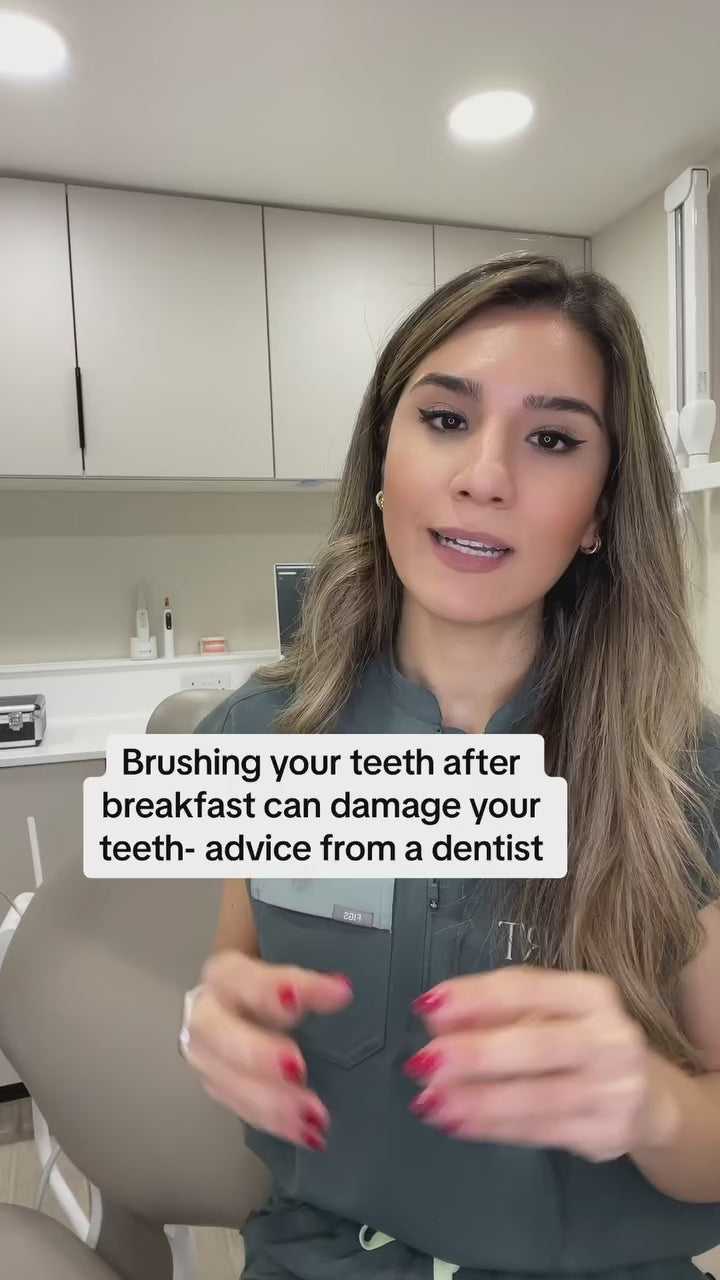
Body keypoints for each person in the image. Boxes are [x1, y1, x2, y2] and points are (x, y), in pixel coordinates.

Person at [182, 254, 720, 1280]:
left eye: (553, 439)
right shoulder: (263, 739)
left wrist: (653, 1104)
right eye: (443, 418)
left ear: (600, 510)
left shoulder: (689, 773)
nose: (485, 474)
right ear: (383, 461)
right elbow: (236, 985)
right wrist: (210, 1022)